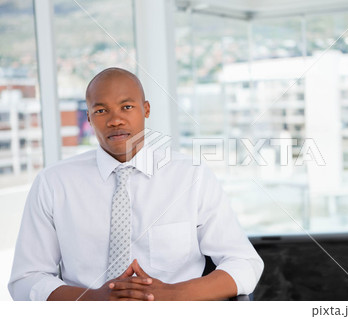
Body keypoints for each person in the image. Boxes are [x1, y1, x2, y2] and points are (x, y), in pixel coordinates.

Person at [8, 67, 264, 301]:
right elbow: (26, 279)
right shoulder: (53, 183)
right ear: (88, 117)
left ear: (146, 110)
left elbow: (244, 262)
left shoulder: (191, 176)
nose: (115, 120)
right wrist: (95, 300)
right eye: (101, 110)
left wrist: (173, 295)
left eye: (126, 107)